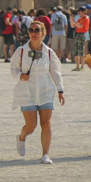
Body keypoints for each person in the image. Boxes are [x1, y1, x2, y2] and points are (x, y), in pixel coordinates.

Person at [11, 20, 65, 164]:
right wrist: (20, 76)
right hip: (27, 91)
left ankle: (45, 154)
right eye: (31, 30)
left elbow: (55, 71)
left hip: (45, 90)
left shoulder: (48, 52)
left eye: (37, 30)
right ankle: (22, 137)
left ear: (43, 33)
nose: (33, 33)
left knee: (46, 123)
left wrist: (60, 90)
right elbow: (13, 69)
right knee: (31, 125)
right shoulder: (21, 51)